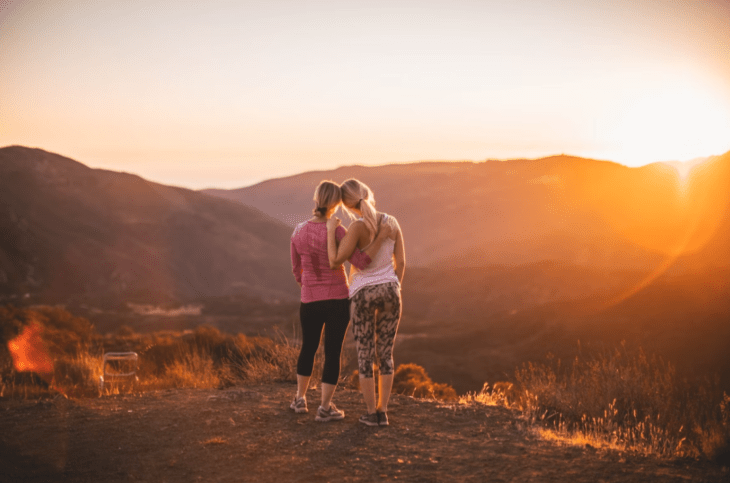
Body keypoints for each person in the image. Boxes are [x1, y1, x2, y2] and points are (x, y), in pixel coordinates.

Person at [290, 180, 391, 422]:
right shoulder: (338, 231)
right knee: (332, 352)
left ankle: (300, 399)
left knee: (308, 347)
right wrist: (379, 241)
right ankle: (325, 408)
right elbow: (360, 261)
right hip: (337, 300)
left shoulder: (298, 231)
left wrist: (309, 285)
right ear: (336, 204)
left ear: (316, 200)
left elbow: (296, 269)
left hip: (310, 300)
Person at [326, 178, 405, 427]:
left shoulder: (357, 229)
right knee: (386, 353)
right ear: (368, 193)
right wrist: (394, 286)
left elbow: (338, 260)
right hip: (391, 290)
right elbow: (401, 263)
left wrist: (330, 233)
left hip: (362, 295)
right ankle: (384, 411)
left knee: (365, 354)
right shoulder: (391, 222)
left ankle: (371, 413)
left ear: (348, 206)